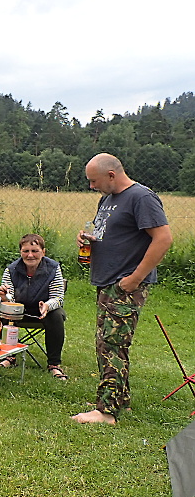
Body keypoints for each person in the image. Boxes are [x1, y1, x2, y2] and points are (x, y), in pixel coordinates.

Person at [72, 153, 172, 425]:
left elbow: (163, 239)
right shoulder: (108, 199)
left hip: (125, 284)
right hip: (108, 281)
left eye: (94, 181)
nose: (92, 186)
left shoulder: (142, 197)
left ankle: (106, 412)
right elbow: (110, 233)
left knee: (111, 345)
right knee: (108, 342)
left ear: (111, 175)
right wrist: (89, 238)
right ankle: (121, 401)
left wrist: (135, 278)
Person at [0, 233, 67, 379]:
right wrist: (4, 298)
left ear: (43, 252)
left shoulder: (53, 268)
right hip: (19, 310)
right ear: (20, 252)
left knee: (57, 315)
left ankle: (54, 364)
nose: (30, 255)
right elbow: (8, 299)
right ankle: (9, 356)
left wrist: (47, 306)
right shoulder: (11, 270)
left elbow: (58, 298)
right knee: (4, 311)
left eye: (35, 251)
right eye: (26, 251)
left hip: (45, 311)